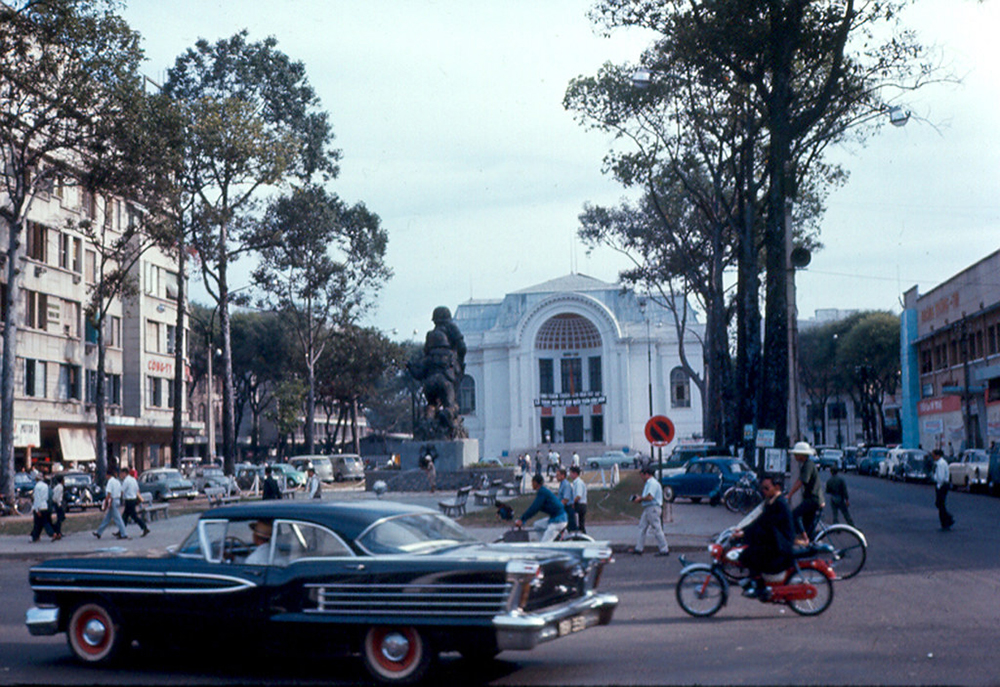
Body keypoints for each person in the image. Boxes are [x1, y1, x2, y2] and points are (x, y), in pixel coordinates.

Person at [730, 475, 796, 598]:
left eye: (766, 488)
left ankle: (761, 588)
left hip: (781, 545)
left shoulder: (779, 504)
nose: (763, 491)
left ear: (777, 487)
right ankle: (754, 580)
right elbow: (759, 521)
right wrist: (743, 530)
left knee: (749, 555)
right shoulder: (772, 502)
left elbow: (765, 525)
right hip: (775, 540)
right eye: (762, 488)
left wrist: (745, 534)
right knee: (749, 550)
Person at [788, 441, 824, 542]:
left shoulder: (808, 465)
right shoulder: (808, 464)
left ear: (801, 455)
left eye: (796, 454)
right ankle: (808, 541)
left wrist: (790, 495)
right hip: (814, 499)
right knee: (808, 527)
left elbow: (801, 481)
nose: (795, 456)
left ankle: (804, 538)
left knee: (794, 515)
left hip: (813, 499)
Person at [515, 474, 567, 542]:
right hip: (554, 518)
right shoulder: (542, 491)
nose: (531, 485)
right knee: (537, 525)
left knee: (545, 544)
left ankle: (545, 544)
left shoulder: (542, 492)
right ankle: (546, 540)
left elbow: (534, 508)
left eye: (532, 482)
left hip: (558, 521)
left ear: (536, 483)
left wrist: (522, 519)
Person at [630, 466, 669, 556]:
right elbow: (648, 497)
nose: (641, 478)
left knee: (656, 528)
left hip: (652, 508)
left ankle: (664, 549)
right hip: (648, 508)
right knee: (642, 527)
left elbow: (650, 497)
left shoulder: (652, 483)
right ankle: (639, 548)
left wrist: (640, 498)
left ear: (647, 474)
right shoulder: (649, 483)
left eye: (642, 476)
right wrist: (640, 499)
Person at [93, 467, 128, 540]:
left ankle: (124, 533)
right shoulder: (117, 482)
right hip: (117, 499)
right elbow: (121, 492)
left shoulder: (110, 482)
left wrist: (106, 502)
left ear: (108, 475)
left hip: (112, 500)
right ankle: (99, 532)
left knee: (118, 518)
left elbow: (109, 493)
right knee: (107, 518)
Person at [121, 467, 150, 537]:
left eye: (121, 474)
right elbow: (137, 490)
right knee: (125, 516)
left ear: (124, 473)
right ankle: (121, 531)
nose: (121, 475)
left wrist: (120, 498)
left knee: (133, 516)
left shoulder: (126, 481)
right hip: (133, 499)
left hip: (128, 500)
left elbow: (122, 491)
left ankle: (144, 527)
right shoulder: (133, 480)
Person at [30, 476, 58, 542]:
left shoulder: (37, 487)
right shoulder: (46, 486)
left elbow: (37, 499)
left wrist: (37, 510)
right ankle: (36, 536)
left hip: (39, 507)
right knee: (43, 522)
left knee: (38, 523)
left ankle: (51, 533)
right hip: (45, 505)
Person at [933, 448, 955, 530]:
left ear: (938, 455)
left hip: (942, 485)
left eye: (934, 455)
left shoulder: (941, 464)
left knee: (940, 504)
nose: (933, 457)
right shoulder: (941, 463)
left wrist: (939, 486)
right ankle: (947, 519)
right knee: (940, 504)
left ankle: (946, 520)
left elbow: (941, 477)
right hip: (942, 485)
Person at [570, 465, 588, 535]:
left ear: (575, 473)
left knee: (579, 524)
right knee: (580, 523)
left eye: (571, 473)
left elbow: (578, 496)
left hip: (580, 505)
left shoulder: (578, 483)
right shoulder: (576, 483)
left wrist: (573, 503)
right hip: (580, 504)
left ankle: (582, 536)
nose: (570, 475)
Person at [50, 474, 65, 538]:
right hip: (58, 503)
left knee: (60, 518)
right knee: (60, 518)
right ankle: (57, 530)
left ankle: (58, 530)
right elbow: (57, 497)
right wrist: (59, 504)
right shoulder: (60, 487)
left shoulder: (57, 487)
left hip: (56, 503)